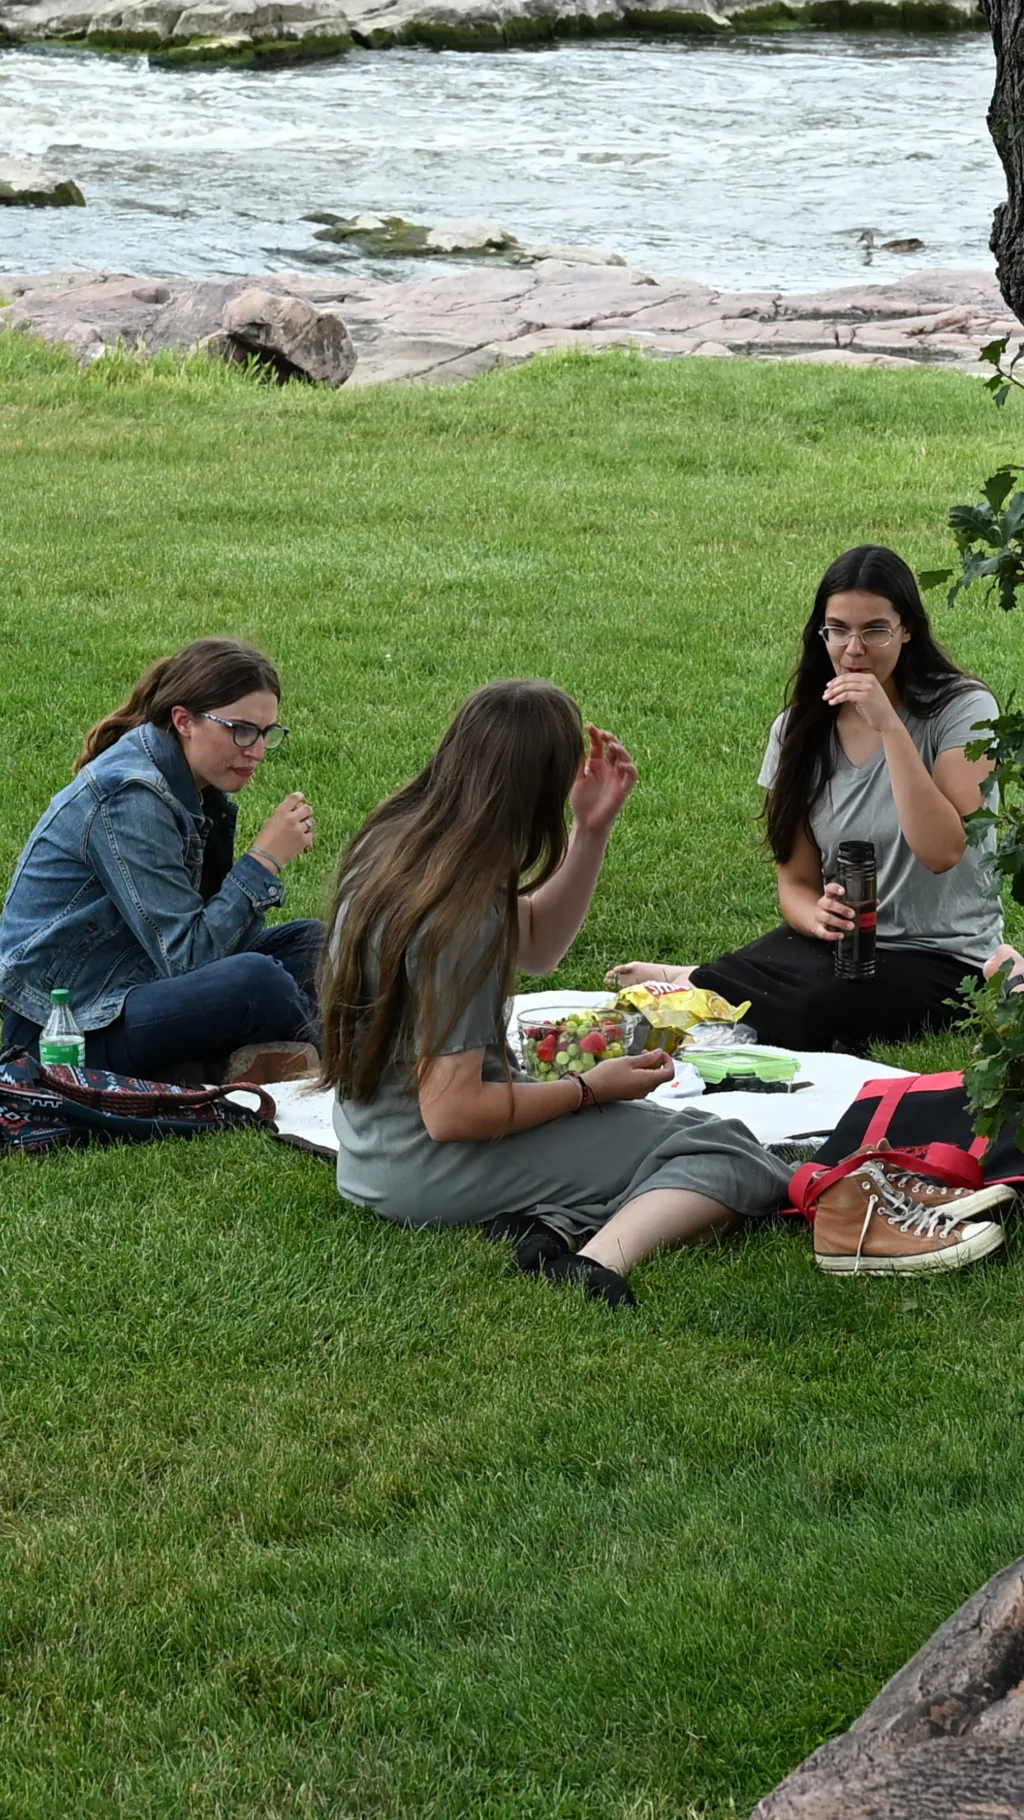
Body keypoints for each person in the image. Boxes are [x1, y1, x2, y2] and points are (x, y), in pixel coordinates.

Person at [318, 680, 789, 1308]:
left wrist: (590, 831)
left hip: (370, 1152)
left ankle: (549, 1221)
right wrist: (588, 1089)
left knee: (677, 1139)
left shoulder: (400, 843)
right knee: (727, 1152)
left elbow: (537, 946)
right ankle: (592, 1261)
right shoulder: (460, 916)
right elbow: (452, 1112)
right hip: (426, 1164)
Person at [607, 546, 1002, 1053]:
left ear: (907, 630)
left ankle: (693, 979)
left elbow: (942, 850)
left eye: (875, 630)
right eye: (838, 630)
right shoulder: (798, 729)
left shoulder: (965, 710)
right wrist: (817, 916)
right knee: (764, 982)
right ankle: (700, 976)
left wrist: (889, 727)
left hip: (944, 955)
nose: (854, 650)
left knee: (809, 1011)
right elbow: (794, 880)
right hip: (845, 945)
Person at [0, 638, 322, 1081]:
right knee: (257, 983)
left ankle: (248, 1057)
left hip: (137, 982)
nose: (258, 750)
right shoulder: (130, 797)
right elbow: (189, 960)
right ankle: (339, 1062)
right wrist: (264, 861)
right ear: (184, 720)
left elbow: (211, 946)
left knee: (313, 945)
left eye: (267, 733)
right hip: (70, 1029)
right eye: (242, 730)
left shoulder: (199, 787)